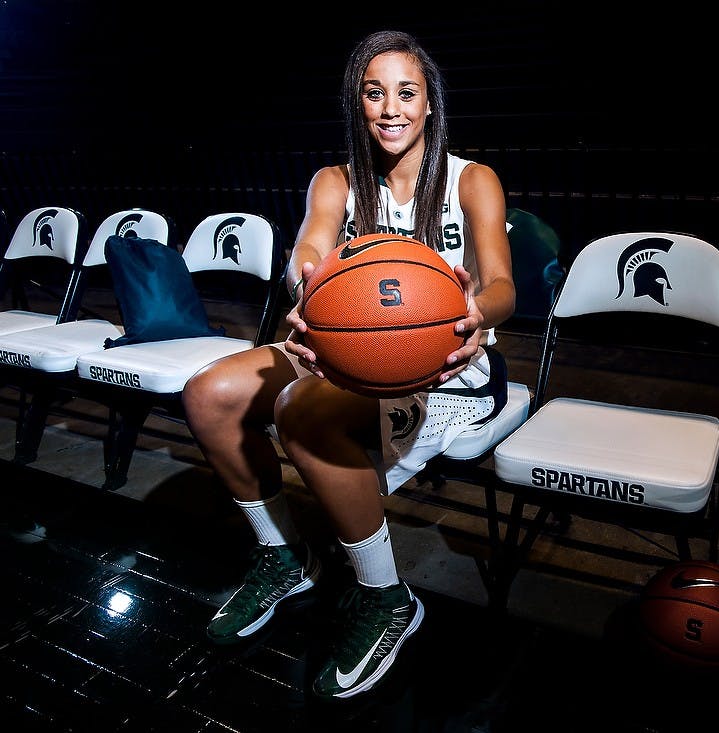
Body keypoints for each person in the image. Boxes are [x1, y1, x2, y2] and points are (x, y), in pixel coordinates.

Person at [181, 29, 515, 700]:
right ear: (356, 103)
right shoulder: (335, 181)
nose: (390, 108)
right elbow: (308, 247)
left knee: (299, 413)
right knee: (207, 392)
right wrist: (305, 288)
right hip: (344, 346)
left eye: (406, 92)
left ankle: (387, 595)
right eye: (374, 92)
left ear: (429, 105)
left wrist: (482, 312)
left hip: (447, 362)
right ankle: (284, 557)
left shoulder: (472, 179)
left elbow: (504, 285)